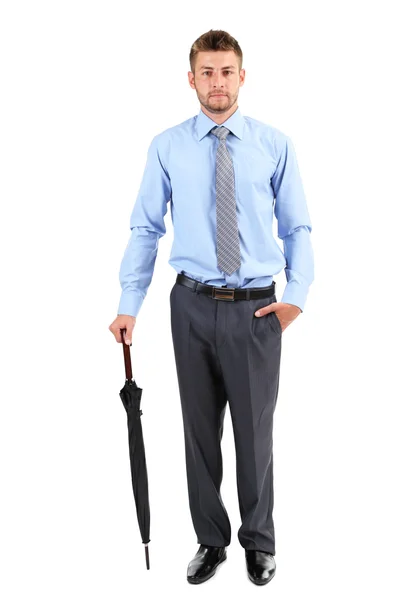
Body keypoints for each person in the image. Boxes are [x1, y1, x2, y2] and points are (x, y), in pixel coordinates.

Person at [109, 29, 314, 586]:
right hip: (191, 305)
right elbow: (146, 227)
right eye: (207, 72)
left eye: (227, 71)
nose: (217, 82)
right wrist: (130, 304)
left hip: (256, 311)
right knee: (199, 432)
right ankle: (210, 540)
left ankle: (259, 542)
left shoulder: (274, 144)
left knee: (254, 433)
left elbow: (296, 226)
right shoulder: (167, 146)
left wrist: (294, 297)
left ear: (242, 76)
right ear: (192, 78)